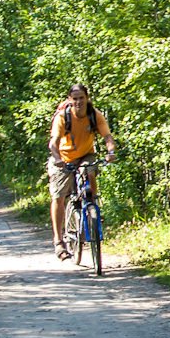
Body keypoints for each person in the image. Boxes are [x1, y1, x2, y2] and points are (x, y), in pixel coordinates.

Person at [47, 83, 117, 260]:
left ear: (87, 98)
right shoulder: (63, 117)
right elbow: (53, 142)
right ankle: (58, 241)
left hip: (86, 154)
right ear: (70, 100)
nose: (78, 102)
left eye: (81, 98)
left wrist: (111, 152)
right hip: (64, 158)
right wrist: (57, 158)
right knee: (59, 196)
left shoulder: (94, 115)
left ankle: (92, 205)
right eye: (75, 98)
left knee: (90, 171)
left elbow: (107, 136)